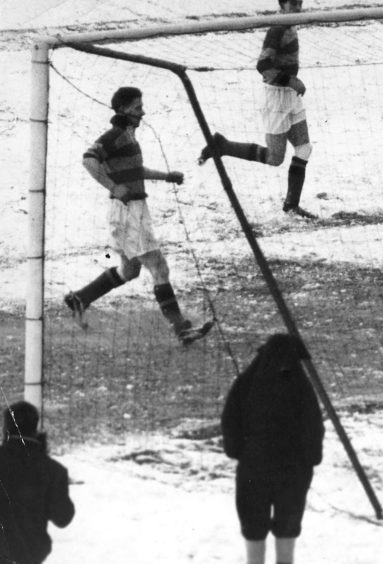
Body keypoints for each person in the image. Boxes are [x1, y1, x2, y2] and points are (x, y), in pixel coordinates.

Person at [64, 86, 212, 345]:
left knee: (130, 270)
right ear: (123, 110)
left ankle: (80, 298)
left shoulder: (128, 137)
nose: (142, 113)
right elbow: (89, 159)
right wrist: (112, 187)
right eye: (137, 108)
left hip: (127, 211)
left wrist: (167, 176)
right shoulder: (115, 135)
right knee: (159, 267)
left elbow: (136, 170)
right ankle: (181, 328)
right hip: (129, 212)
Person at [199, 0, 316, 220]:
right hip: (276, 98)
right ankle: (223, 146)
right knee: (275, 158)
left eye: (300, 2)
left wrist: (291, 83)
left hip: (291, 96)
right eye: (294, 3)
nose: (299, 7)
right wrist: (290, 80)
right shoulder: (277, 28)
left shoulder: (291, 24)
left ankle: (291, 206)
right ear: (282, 4)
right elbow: (263, 66)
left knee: (304, 148)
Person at [221, 334, 325, 564]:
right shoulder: (301, 386)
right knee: (288, 519)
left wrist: (238, 451)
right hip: (293, 468)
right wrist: (312, 457)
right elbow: (313, 425)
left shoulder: (246, 383)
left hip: (254, 464)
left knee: (253, 518)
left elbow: (230, 420)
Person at [0, 401, 74, 564]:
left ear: (6, 427)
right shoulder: (54, 470)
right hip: (30, 556)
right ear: (36, 426)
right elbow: (63, 518)